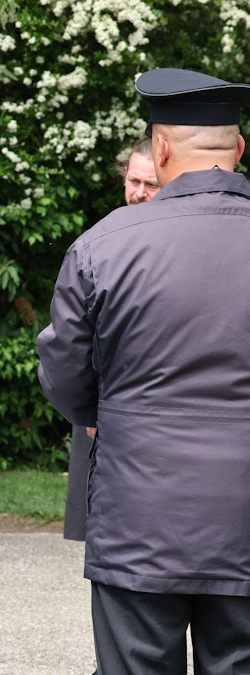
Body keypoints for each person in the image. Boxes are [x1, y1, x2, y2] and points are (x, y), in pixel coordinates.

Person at [37, 67, 250, 675]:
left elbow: (64, 372)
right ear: (238, 148)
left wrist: (105, 414)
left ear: (160, 148)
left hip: (140, 517)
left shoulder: (103, 246)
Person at [62, 138, 162, 543]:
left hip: (158, 406)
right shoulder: (102, 242)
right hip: (103, 403)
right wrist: (87, 408)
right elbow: (73, 338)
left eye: (151, 184)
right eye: (133, 181)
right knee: (105, 536)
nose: (139, 193)